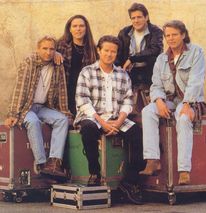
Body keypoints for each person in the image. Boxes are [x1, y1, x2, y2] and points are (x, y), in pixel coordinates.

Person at [75, 35, 145, 204]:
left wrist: (119, 121)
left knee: (137, 132)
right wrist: (102, 123)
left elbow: (128, 101)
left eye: (113, 51)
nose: (109, 54)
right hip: (93, 117)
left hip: (116, 118)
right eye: (106, 50)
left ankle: (129, 181)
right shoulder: (87, 72)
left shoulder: (122, 74)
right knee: (88, 129)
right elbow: (83, 101)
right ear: (99, 51)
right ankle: (94, 173)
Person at [140, 20, 206, 185]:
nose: (170, 38)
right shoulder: (162, 59)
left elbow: (196, 80)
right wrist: (158, 101)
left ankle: (184, 170)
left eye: (174, 34)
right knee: (147, 111)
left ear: (183, 35)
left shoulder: (196, 52)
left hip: (189, 100)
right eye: (167, 35)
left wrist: (187, 103)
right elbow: (156, 84)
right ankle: (152, 160)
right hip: (169, 100)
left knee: (184, 118)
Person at [4, 36, 72, 180]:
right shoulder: (29, 62)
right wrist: (13, 114)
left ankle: (53, 162)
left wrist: (65, 112)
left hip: (43, 107)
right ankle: (41, 163)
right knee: (33, 122)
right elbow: (20, 89)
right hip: (26, 108)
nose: (48, 52)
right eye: (45, 48)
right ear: (38, 48)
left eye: (52, 49)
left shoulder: (57, 64)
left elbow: (62, 90)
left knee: (62, 120)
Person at [116, 3, 163, 120]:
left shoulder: (156, 31)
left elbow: (154, 50)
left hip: (150, 72)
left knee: (151, 109)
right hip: (130, 73)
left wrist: (132, 59)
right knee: (128, 109)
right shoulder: (124, 33)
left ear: (146, 17)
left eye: (139, 17)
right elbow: (118, 53)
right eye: (133, 18)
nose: (136, 20)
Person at [57, 15, 97, 117]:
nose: (78, 29)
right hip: (66, 90)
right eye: (74, 26)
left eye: (81, 26)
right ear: (69, 29)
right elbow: (46, 50)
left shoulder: (93, 49)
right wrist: (54, 53)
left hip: (85, 91)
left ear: (86, 28)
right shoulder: (61, 46)